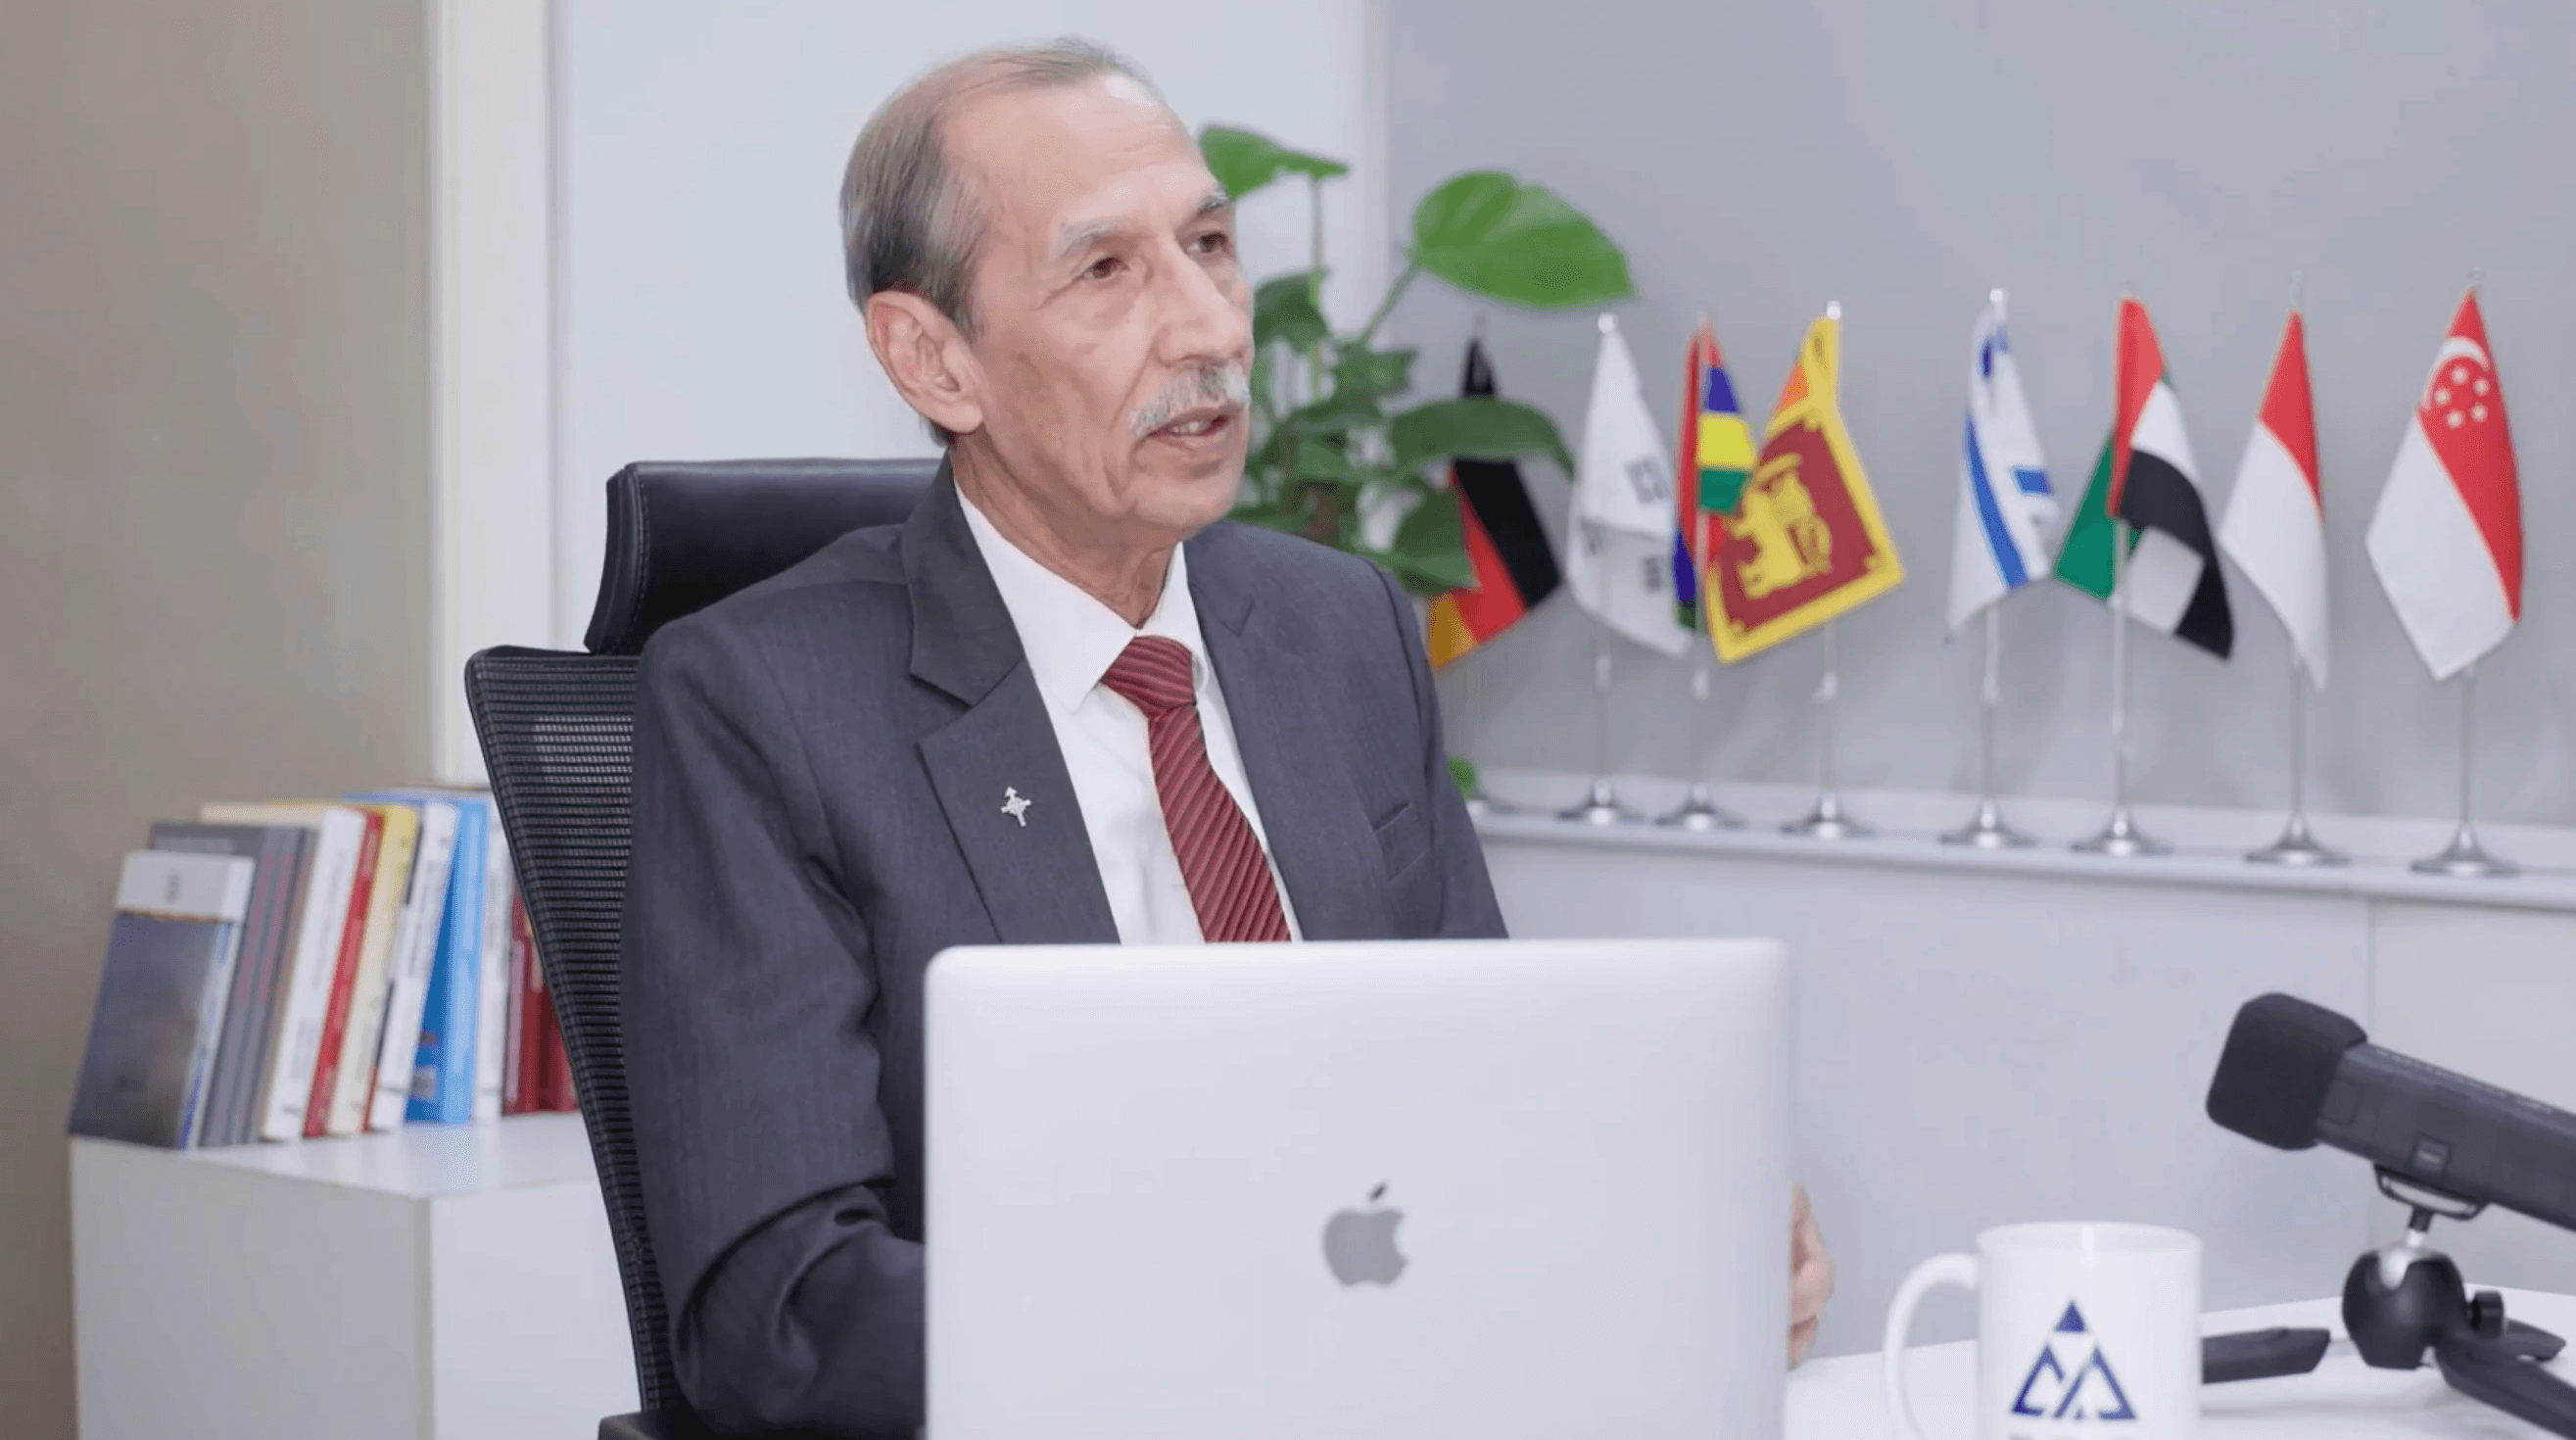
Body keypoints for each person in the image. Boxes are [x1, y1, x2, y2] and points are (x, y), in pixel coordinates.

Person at [619, 38, 1834, 1438]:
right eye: (1106, 272)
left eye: (1208, 244)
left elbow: (1490, 1097)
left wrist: (1661, 1233)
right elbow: (781, 1314)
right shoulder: (761, 703)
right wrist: (1235, 1335)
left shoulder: (1338, 629)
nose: (1204, 326)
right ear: (931, 357)